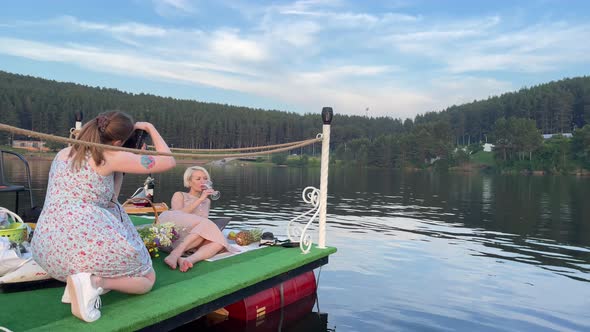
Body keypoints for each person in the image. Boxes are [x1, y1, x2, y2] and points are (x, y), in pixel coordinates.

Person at [31, 111, 176, 323]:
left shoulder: (63, 153)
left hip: (46, 248)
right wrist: (149, 128)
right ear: (118, 141)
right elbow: (168, 161)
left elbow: (110, 199)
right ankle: (94, 282)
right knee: (146, 277)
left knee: (101, 248)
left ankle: (76, 285)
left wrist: (120, 169)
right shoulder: (110, 156)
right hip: (76, 240)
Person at [159, 166, 233, 272]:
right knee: (207, 224)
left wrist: (204, 199)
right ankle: (175, 253)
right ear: (189, 182)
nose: (202, 182)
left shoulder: (207, 201)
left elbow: (202, 224)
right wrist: (201, 199)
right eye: (198, 179)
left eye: (205, 178)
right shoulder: (180, 195)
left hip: (194, 238)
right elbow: (177, 216)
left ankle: (188, 259)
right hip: (176, 234)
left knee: (219, 243)